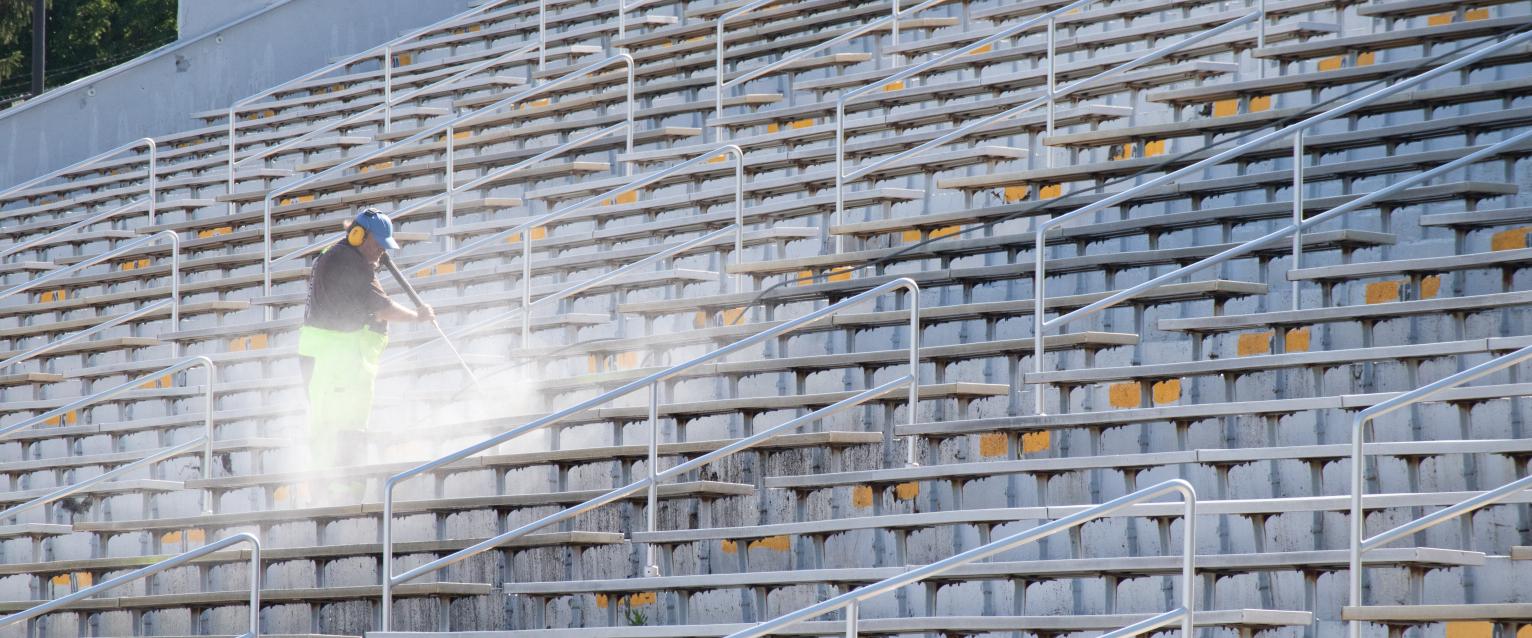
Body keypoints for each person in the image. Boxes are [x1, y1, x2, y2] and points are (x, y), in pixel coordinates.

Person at [297, 208, 434, 482]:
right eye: (378, 244)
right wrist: (417, 316)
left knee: (334, 425)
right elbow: (383, 308)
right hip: (333, 356)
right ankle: (340, 489)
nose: (382, 251)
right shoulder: (350, 263)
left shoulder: (333, 254)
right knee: (342, 425)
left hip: (321, 352)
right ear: (359, 235)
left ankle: (333, 486)